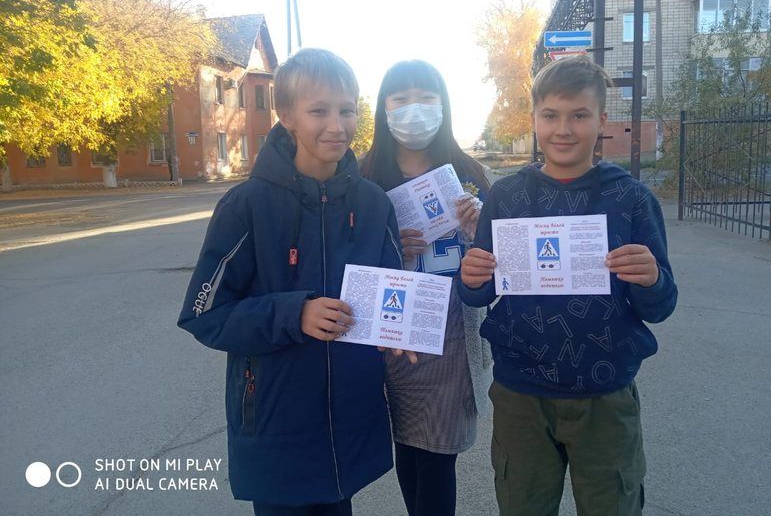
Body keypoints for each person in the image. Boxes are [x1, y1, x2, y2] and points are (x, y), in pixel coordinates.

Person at [177, 48, 413, 516]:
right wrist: (294, 313)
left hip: (350, 418)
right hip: (275, 420)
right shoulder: (247, 205)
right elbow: (204, 316)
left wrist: (396, 330)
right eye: (319, 111)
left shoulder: (373, 204)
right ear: (286, 116)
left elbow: (391, 290)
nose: (337, 126)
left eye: (347, 110)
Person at [458, 56, 678, 516]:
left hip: (605, 391)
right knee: (523, 504)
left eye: (579, 115)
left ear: (602, 121)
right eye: (551, 115)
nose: (563, 129)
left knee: (611, 505)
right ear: (534, 119)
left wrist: (652, 278)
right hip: (521, 390)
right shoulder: (507, 197)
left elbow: (660, 306)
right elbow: (481, 291)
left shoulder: (631, 199)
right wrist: (471, 279)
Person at [360, 59, 493, 516]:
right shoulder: (363, 179)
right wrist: (387, 245)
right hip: (391, 333)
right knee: (407, 446)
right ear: (383, 109)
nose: (413, 110)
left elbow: (500, 260)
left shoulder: (470, 172)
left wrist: (480, 230)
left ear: (443, 106)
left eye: (426, 98)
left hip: (452, 334)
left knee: (438, 454)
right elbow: (344, 257)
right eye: (400, 99)